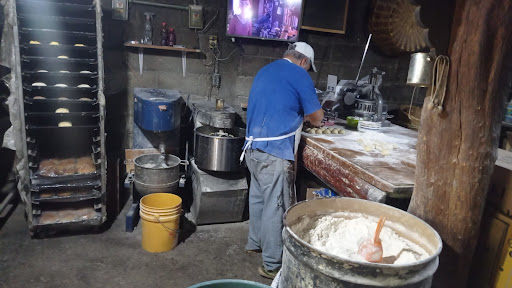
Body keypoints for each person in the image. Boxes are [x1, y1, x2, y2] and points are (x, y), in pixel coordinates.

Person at [241, 42, 324, 279]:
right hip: (275, 151)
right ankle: (272, 264)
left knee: (258, 199)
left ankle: (255, 242)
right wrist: (311, 117)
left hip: (253, 148)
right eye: (308, 68)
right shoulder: (299, 74)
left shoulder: (265, 70)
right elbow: (317, 118)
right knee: (276, 207)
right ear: (304, 62)